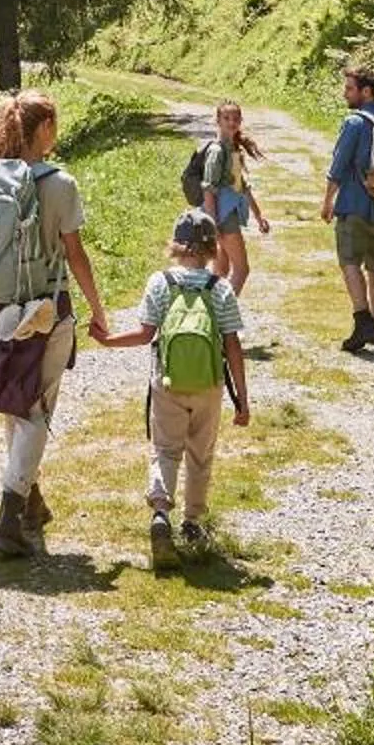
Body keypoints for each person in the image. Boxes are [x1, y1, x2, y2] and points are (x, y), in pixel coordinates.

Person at [0, 90, 109, 558]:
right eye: (55, 124)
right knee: (35, 411)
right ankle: (7, 522)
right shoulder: (59, 184)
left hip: (0, 307)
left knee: (16, 407)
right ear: (43, 128)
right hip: (46, 309)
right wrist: (98, 310)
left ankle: (30, 503)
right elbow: (75, 254)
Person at [90, 209, 249, 571]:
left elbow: (146, 334)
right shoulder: (220, 287)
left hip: (167, 382)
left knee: (165, 448)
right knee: (200, 454)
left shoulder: (160, 282)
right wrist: (242, 399)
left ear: (176, 245)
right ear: (211, 249)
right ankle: (192, 524)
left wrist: (108, 340)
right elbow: (233, 346)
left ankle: (161, 513)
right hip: (209, 384)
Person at [320, 66, 374, 353]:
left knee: (349, 261)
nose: (345, 94)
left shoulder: (354, 123)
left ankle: (362, 320)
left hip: (354, 207)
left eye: (350, 89)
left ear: (366, 92)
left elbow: (338, 166)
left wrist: (328, 201)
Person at [196, 101, 273, 297]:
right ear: (218, 121)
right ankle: (222, 315)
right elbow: (208, 190)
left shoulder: (233, 149)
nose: (232, 122)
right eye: (227, 118)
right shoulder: (217, 151)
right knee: (242, 269)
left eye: (236, 118)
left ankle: (207, 312)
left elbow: (243, 187)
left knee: (220, 271)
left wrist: (258, 216)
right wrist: (212, 225)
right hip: (222, 218)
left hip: (226, 215)